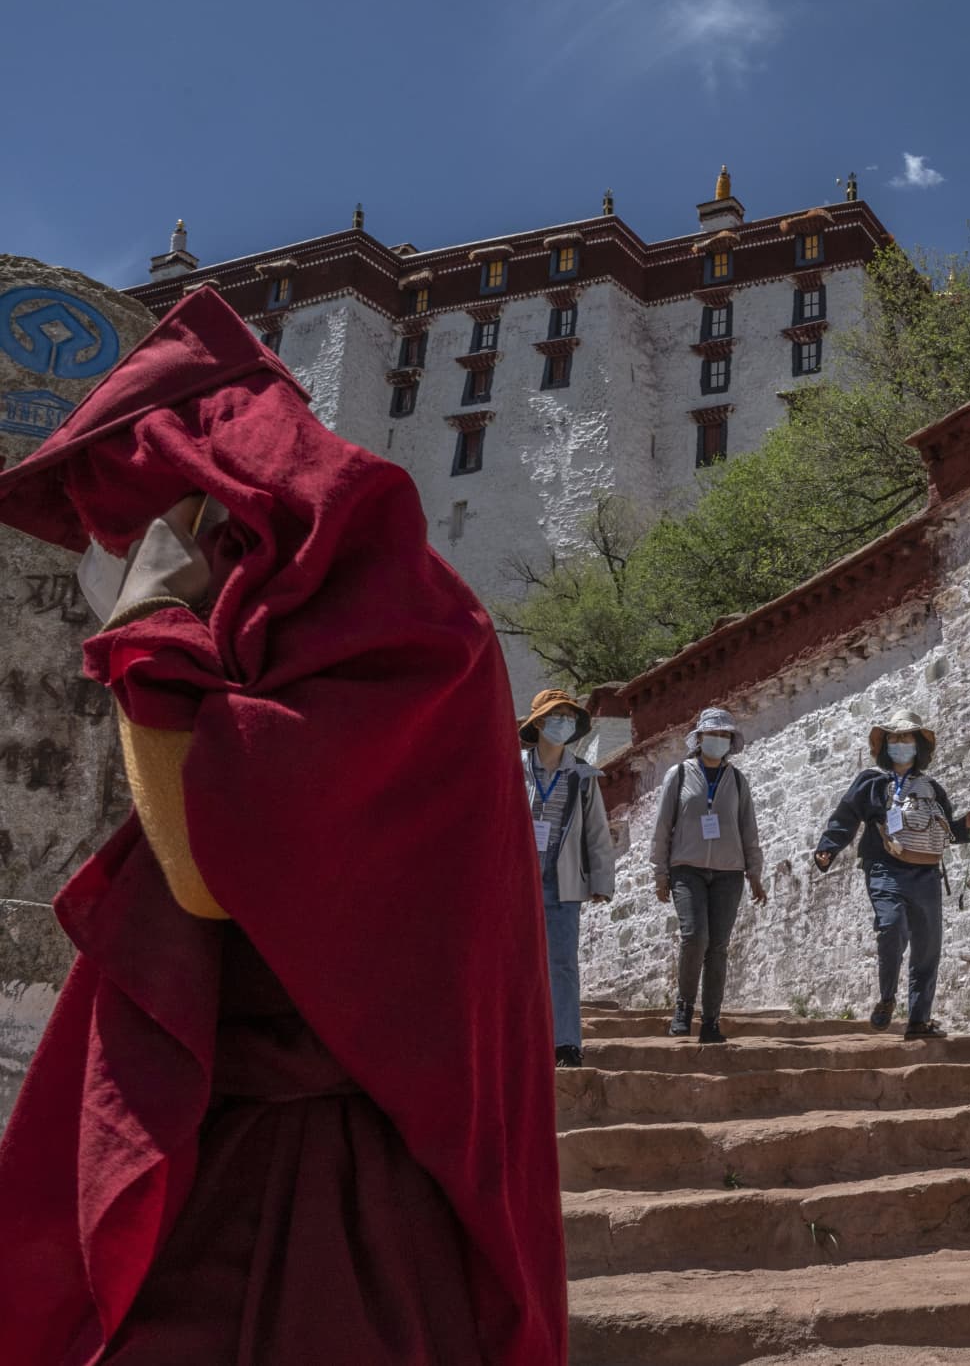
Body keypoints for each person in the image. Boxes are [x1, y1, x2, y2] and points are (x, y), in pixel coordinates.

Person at [0, 288, 566, 1362]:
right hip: (223, 1133)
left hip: (343, 1173)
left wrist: (143, 639)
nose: (123, 554)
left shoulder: (406, 632)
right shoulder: (288, 629)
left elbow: (211, 873)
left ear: (223, 495)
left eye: (141, 523)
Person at [812, 710, 970, 1039]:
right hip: (884, 868)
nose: (900, 743)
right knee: (892, 929)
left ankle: (919, 1021)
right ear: (884, 746)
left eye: (906, 738)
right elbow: (846, 816)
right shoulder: (871, 783)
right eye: (894, 738)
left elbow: (947, 831)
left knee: (927, 946)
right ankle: (887, 998)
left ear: (918, 746)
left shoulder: (932, 788)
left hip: (927, 874)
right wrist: (828, 847)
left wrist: (967, 828)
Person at [651, 706, 768, 1042]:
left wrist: (754, 874)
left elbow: (749, 829)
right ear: (699, 739)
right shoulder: (680, 775)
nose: (718, 740)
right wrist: (660, 873)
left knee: (718, 946)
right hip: (686, 870)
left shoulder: (737, 780)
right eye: (712, 734)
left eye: (724, 735)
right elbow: (662, 828)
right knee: (694, 936)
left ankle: (712, 1020)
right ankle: (684, 1005)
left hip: (729, 873)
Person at [520, 687, 614, 1068]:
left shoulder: (581, 775)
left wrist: (602, 881)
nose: (564, 724)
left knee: (562, 964)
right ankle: (523, 1039)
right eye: (557, 717)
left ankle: (566, 1043)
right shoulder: (514, 769)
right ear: (539, 722)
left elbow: (596, 830)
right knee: (519, 965)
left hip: (563, 881)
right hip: (518, 884)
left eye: (570, 718)